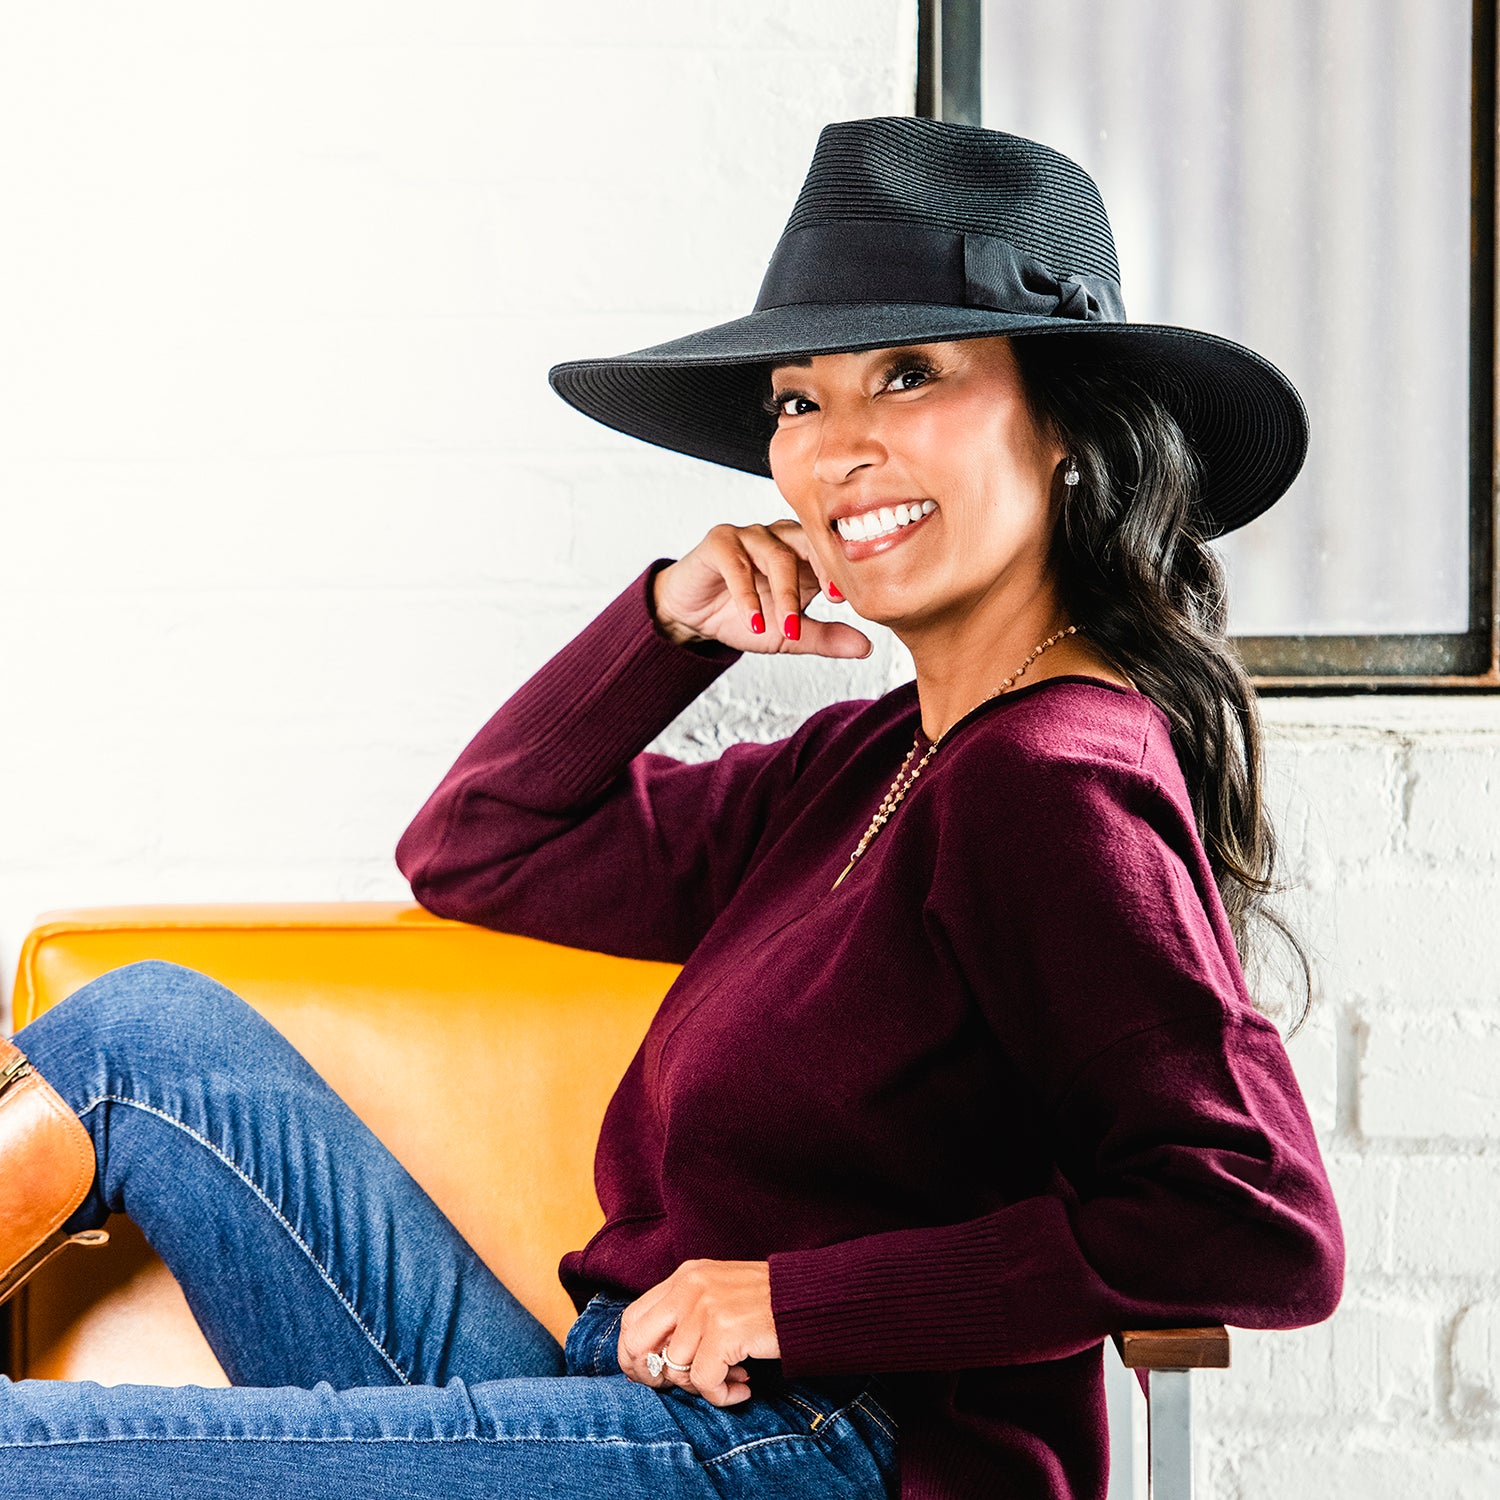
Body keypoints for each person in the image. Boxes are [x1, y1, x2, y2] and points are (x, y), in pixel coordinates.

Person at [0, 117, 1343, 1500]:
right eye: (799, 401)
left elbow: (1255, 1223)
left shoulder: (1056, 776)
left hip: (806, 1455)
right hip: (623, 1408)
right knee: (143, 1035)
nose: (838, 451)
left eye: (909, 376)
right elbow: (478, 848)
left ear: (1068, 426)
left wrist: (789, 1305)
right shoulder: (881, 755)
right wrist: (669, 626)